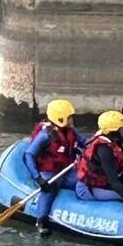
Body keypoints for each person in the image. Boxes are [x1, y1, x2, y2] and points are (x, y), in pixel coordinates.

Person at [24, 98, 87, 236]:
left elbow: (84, 142)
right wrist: (38, 178)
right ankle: (41, 221)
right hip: (48, 172)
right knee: (49, 189)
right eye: (69, 117)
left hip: (66, 171)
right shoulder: (45, 135)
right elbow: (29, 155)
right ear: (60, 118)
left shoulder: (71, 131)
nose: (72, 120)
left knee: (86, 180)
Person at [76, 110, 123, 210]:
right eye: (122, 128)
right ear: (113, 131)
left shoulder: (121, 141)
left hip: (106, 182)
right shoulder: (104, 149)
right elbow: (113, 181)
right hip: (90, 188)